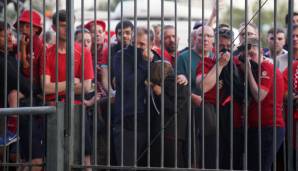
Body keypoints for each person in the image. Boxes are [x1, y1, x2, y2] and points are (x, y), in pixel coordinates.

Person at [40, 9, 94, 171]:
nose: (67, 29)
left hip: (76, 107)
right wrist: (71, 82)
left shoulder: (83, 51)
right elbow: (46, 88)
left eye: (69, 25)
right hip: (53, 108)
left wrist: (58, 87)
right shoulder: (47, 53)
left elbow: (85, 86)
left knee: (85, 157)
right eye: (63, 26)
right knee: (53, 157)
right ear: (54, 28)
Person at [238, 37, 285, 171]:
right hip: (259, 127)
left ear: (261, 51)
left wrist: (247, 71)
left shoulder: (266, 67)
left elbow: (259, 95)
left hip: (269, 128)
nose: (249, 59)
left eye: (252, 54)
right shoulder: (257, 69)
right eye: (245, 56)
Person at [112, 26, 153, 167]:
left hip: (148, 121)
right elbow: (129, 84)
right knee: (127, 165)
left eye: (142, 45)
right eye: (136, 43)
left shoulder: (154, 56)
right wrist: (145, 64)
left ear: (150, 45)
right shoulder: (121, 56)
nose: (138, 47)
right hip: (127, 120)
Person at [149, 61, 189, 168]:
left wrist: (160, 94)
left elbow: (174, 107)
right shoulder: (177, 82)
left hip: (168, 132)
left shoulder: (171, 83)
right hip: (176, 134)